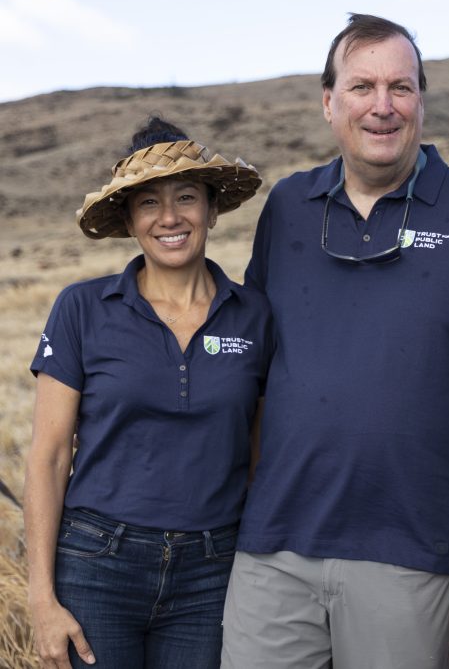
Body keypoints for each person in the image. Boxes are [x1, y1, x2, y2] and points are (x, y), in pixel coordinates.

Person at [219, 14, 449, 669]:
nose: (383, 106)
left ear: (422, 99)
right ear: (328, 101)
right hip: (274, 543)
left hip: (411, 549)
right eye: (362, 87)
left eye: (401, 87)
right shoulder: (287, 207)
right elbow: (258, 371)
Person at [24, 117, 269, 669]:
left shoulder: (255, 315)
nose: (169, 217)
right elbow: (48, 456)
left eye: (186, 197)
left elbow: (259, 455)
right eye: (149, 203)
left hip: (213, 570)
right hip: (97, 562)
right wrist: (41, 598)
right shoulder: (82, 309)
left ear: (211, 209)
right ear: (131, 221)